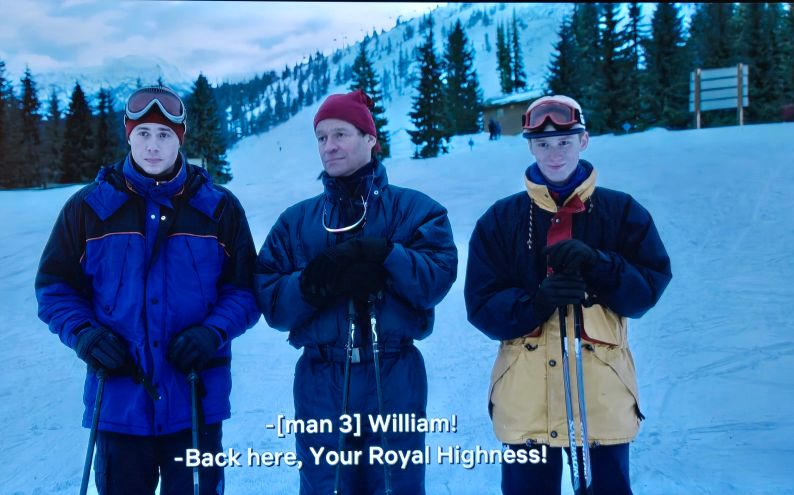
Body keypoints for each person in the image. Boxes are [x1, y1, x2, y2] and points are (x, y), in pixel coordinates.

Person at [35, 85, 259, 494]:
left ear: (181, 138)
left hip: (194, 398)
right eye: (143, 134)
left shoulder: (219, 208)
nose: (153, 146)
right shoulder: (88, 209)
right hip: (119, 402)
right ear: (128, 135)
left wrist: (212, 332)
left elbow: (245, 289)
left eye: (164, 135)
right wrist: (85, 334)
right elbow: (55, 288)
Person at [464, 95, 672, 494]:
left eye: (564, 142)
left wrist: (601, 264)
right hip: (526, 400)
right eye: (542, 144)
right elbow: (481, 304)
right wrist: (535, 303)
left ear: (584, 140)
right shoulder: (501, 219)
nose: (553, 153)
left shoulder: (622, 211)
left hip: (600, 399)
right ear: (529, 146)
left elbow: (647, 290)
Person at [255, 90, 457, 495]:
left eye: (341, 134)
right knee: (325, 484)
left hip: (395, 372)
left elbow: (436, 278)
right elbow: (272, 300)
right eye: (322, 137)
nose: (329, 146)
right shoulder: (297, 222)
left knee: (395, 484)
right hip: (321, 378)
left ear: (370, 139)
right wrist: (312, 285)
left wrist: (386, 254)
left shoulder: (417, 211)